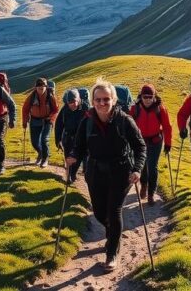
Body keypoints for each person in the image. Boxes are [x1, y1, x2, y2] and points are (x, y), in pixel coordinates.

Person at [65, 79, 146, 272]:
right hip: (95, 172)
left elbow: (140, 146)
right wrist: (73, 156)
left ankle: (112, 254)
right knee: (100, 213)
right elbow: (79, 146)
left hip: (121, 172)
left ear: (114, 100)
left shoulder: (124, 120)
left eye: (106, 99)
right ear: (92, 100)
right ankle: (112, 234)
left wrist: (137, 169)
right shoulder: (87, 121)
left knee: (114, 210)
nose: (102, 103)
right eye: (98, 99)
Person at [128, 83, 172, 205]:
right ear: (141, 96)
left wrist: (168, 143)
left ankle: (151, 193)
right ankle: (144, 185)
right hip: (140, 143)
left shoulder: (160, 109)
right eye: (145, 97)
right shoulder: (135, 109)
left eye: (150, 97)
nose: (147, 99)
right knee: (142, 167)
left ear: (154, 96)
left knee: (152, 167)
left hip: (155, 142)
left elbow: (167, 127)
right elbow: (128, 127)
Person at [22, 77, 59, 167]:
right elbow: (25, 109)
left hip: (47, 120)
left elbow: (55, 109)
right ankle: (41, 153)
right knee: (34, 142)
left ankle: (44, 159)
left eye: (42, 88)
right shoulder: (31, 97)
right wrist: (24, 121)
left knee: (44, 140)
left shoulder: (50, 96)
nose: (41, 89)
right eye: (39, 88)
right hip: (34, 120)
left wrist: (51, 119)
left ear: (46, 87)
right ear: (36, 88)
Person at [55, 87, 89, 181]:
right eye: (70, 103)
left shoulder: (86, 108)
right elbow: (59, 125)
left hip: (82, 139)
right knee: (69, 159)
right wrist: (58, 140)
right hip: (68, 137)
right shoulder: (65, 109)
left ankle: (75, 174)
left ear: (78, 99)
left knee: (79, 159)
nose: (73, 104)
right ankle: (70, 176)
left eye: (74, 102)